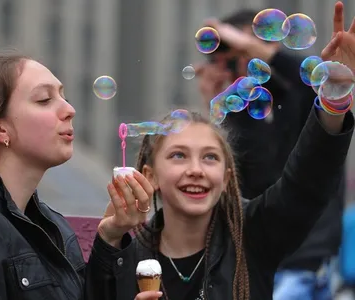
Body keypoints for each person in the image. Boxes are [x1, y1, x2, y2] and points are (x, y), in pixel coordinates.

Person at [92, 3, 355, 299]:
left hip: (306, 264)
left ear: (226, 175)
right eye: (178, 155)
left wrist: (334, 94)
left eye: (210, 158)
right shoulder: (125, 255)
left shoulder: (252, 235)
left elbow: (306, 178)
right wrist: (109, 237)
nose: (196, 169)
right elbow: (250, 162)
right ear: (150, 174)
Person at [0, 51, 158, 300]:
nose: (70, 110)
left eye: (64, 96)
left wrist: (111, 236)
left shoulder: (54, 226)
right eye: (44, 100)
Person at [196, 5, 348, 299]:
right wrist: (218, 107)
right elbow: (250, 180)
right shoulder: (242, 114)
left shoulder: (299, 93)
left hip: (306, 258)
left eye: (244, 54)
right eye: (227, 62)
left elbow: (318, 87)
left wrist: (250, 47)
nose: (239, 67)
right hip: (260, 258)